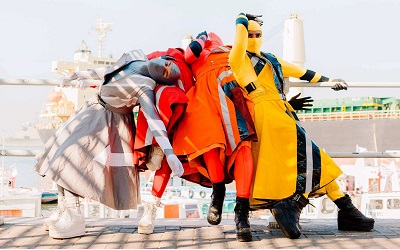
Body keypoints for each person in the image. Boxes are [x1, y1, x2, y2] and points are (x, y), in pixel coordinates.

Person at [229, 13, 375, 239]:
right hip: (267, 116)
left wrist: (327, 80)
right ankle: (335, 208)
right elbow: (239, 42)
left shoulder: (271, 59)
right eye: (250, 35)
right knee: (312, 156)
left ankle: (334, 208)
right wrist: (240, 19)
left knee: (308, 158)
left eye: (258, 34)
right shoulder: (238, 60)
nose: (254, 38)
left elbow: (301, 72)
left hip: (281, 112)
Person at [34, 49, 184, 239]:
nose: (166, 67)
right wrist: (79, 75)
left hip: (109, 123)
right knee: (59, 150)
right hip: (93, 108)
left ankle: (74, 215)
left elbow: (154, 119)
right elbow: (108, 70)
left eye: (167, 73)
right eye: (169, 64)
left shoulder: (145, 86)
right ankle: (64, 207)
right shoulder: (135, 56)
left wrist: (169, 153)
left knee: (72, 156)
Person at [172, 31, 258, 242]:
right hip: (204, 98)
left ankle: (242, 213)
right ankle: (218, 191)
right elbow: (190, 55)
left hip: (232, 92)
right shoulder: (196, 52)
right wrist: (200, 40)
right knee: (208, 144)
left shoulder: (232, 49)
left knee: (243, 146)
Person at [133, 47, 195, 234]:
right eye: (166, 71)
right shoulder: (152, 64)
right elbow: (135, 68)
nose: (170, 70)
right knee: (164, 164)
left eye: (168, 66)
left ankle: (221, 195)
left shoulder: (179, 56)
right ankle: (151, 208)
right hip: (166, 116)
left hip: (191, 113)